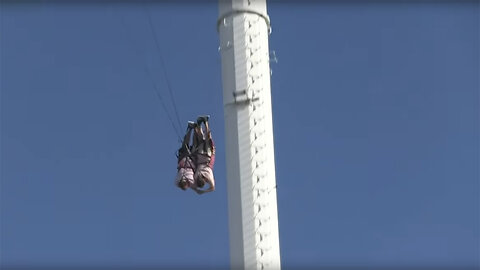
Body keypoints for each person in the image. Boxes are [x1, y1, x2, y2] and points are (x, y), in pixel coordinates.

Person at [191, 115, 216, 195]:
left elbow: (212, 188)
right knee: (201, 140)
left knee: (206, 139)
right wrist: (198, 191)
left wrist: (203, 191)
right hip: (201, 155)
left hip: (207, 156)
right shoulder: (196, 176)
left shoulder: (208, 177)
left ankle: (205, 122)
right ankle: (200, 125)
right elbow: (192, 186)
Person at [174, 121, 196, 191]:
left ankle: (192, 129)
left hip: (186, 160)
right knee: (191, 146)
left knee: (187, 145)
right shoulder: (178, 181)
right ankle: (193, 129)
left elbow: (193, 185)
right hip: (189, 160)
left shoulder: (188, 180)